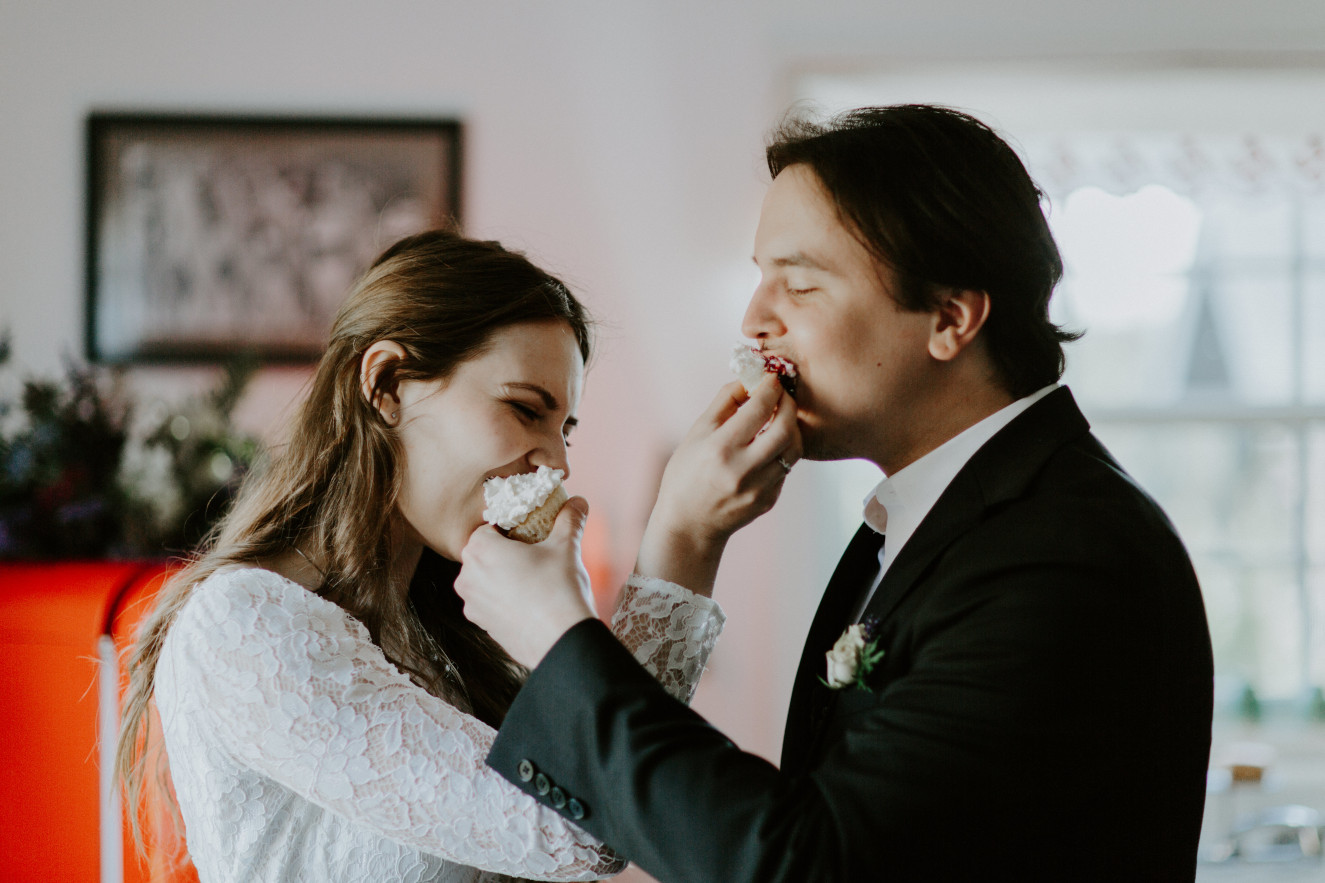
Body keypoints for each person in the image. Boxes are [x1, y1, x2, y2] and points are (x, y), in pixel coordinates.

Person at [455, 105, 1215, 881]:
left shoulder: (1061, 553)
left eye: (800, 284)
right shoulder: (924, 525)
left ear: (949, 318)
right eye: (759, 279)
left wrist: (557, 633)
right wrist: (687, 533)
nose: (754, 320)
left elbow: (809, 863)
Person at [114, 229, 733, 882]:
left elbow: (626, 797)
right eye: (525, 409)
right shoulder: (243, 623)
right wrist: (679, 540)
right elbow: (581, 826)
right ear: (385, 384)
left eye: (563, 429)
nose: (555, 462)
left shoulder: (446, 636)